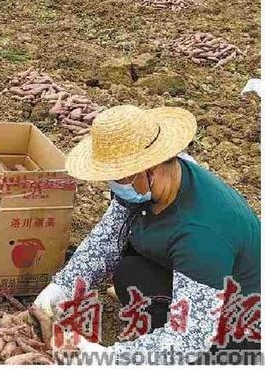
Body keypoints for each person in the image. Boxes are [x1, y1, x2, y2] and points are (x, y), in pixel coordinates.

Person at [32, 105, 261, 361]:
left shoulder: (201, 232)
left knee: (196, 351)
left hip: (241, 322)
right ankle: (159, 333)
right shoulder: (149, 184)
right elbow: (109, 237)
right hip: (205, 284)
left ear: (151, 168)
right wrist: (62, 287)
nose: (114, 184)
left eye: (120, 176)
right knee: (130, 273)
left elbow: (189, 340)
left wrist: (109, 357)